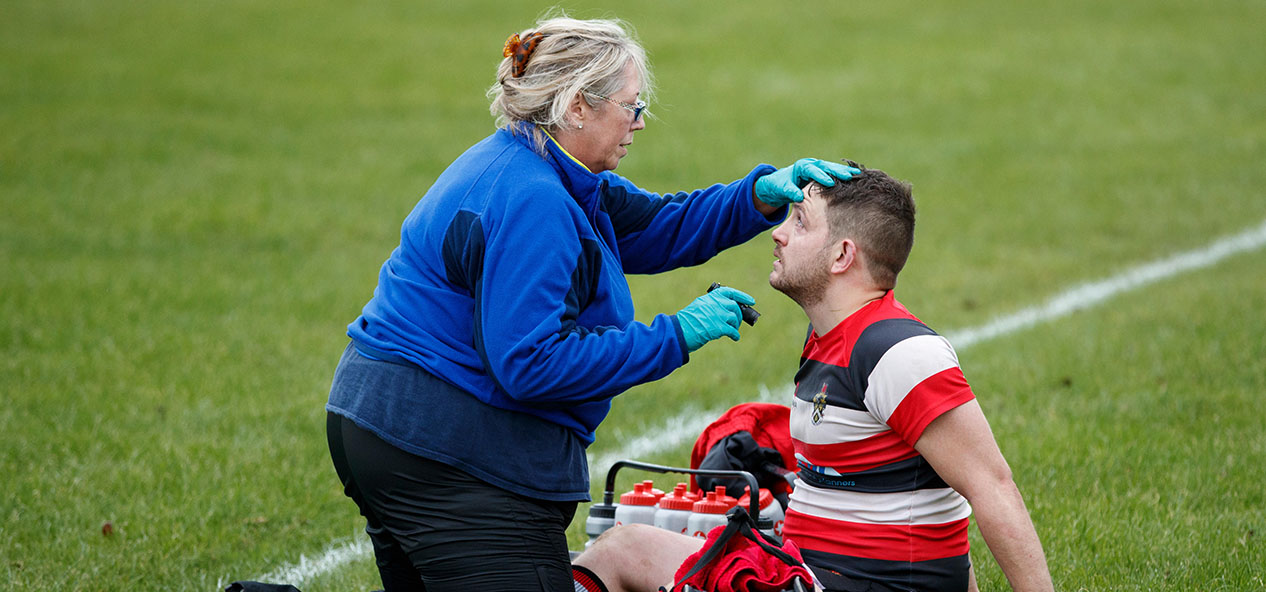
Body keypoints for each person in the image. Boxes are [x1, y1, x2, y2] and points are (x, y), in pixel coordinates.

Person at [324, 14, 859, 592]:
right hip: (443, 449)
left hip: (387, 424)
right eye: (632, 106)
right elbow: (529, 364)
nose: (641, 122)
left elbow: (656, 224)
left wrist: (758, 195)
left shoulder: (545, 165)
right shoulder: (535, 200)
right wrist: (673, 336)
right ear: (578, 106)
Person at [573, 163, 1054, 592]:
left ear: (842, 255)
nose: (779, 233)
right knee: (630, 543)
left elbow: (992, 487)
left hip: (830, 582)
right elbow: (932, 504)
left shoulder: (899, 352)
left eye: (799, 222)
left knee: (622, 552)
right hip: (806, 571)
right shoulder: (828, 338)